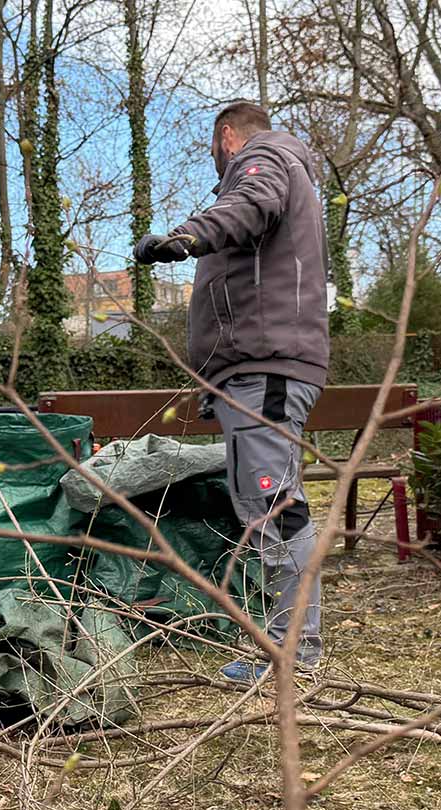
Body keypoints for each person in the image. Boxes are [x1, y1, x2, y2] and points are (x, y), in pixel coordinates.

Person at [133, 100, 329, 683]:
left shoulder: (264, 156)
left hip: (263, 366)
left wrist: (184, 237)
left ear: (226, 136)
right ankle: (289, 646)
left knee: (273, 507)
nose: (217, 163)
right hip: (258, 367)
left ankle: (292, 654)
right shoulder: (289, 167)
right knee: (268, 504)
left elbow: (247, 204)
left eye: (215, 151)